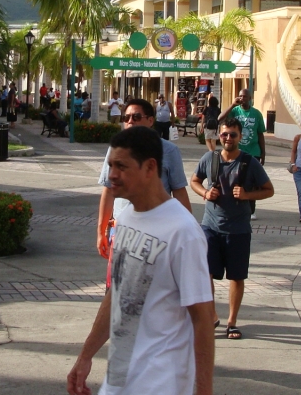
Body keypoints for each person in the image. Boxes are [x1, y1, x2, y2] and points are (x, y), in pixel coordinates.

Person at [68, 126, 215, 395]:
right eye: (110, 165)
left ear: (149, 168)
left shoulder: (183, 232)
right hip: (119, 380)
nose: (112, 174)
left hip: (161, 383)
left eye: (121, 166)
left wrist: (203, 390)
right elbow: (117, 294)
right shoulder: (124, 221)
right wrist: (86, 356)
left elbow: (202, 318)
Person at [190, 117, 274, 341]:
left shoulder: (249, 163)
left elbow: (268, 190)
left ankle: (232, 322)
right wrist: (206, 193)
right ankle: (212, 316)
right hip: (210, 226)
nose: (228, 138)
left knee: (236, 277)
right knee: (205, 273)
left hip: (238, 229)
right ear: (219, 135)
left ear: (240, 137)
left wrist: (247, 196)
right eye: (225, 134)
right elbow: (194, 180)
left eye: (233, 134)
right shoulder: (210, 158)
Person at [96, 98, 192, 268]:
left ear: (150, 120)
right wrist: (101, 232)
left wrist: (189, 231)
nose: (130, 122)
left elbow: (179, 191)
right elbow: (109, 190)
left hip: (157, 233)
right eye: (126, 118)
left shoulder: (169, 151)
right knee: (118, 286)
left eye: (136, 117)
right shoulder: (115, 149)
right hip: (121, 230)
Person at [226, 89, 266, 219]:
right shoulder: (235, 111)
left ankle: (251, 209)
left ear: (250, 98)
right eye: (240, 96)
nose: (242, 98)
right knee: (237, 180)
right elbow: (220, 119)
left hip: (253, 152)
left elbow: (260, 134)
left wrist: (263, 153)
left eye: (245, 96)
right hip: (238, 151)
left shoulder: (256, 114)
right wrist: (232, 105)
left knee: (251, 181)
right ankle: (237, 207)